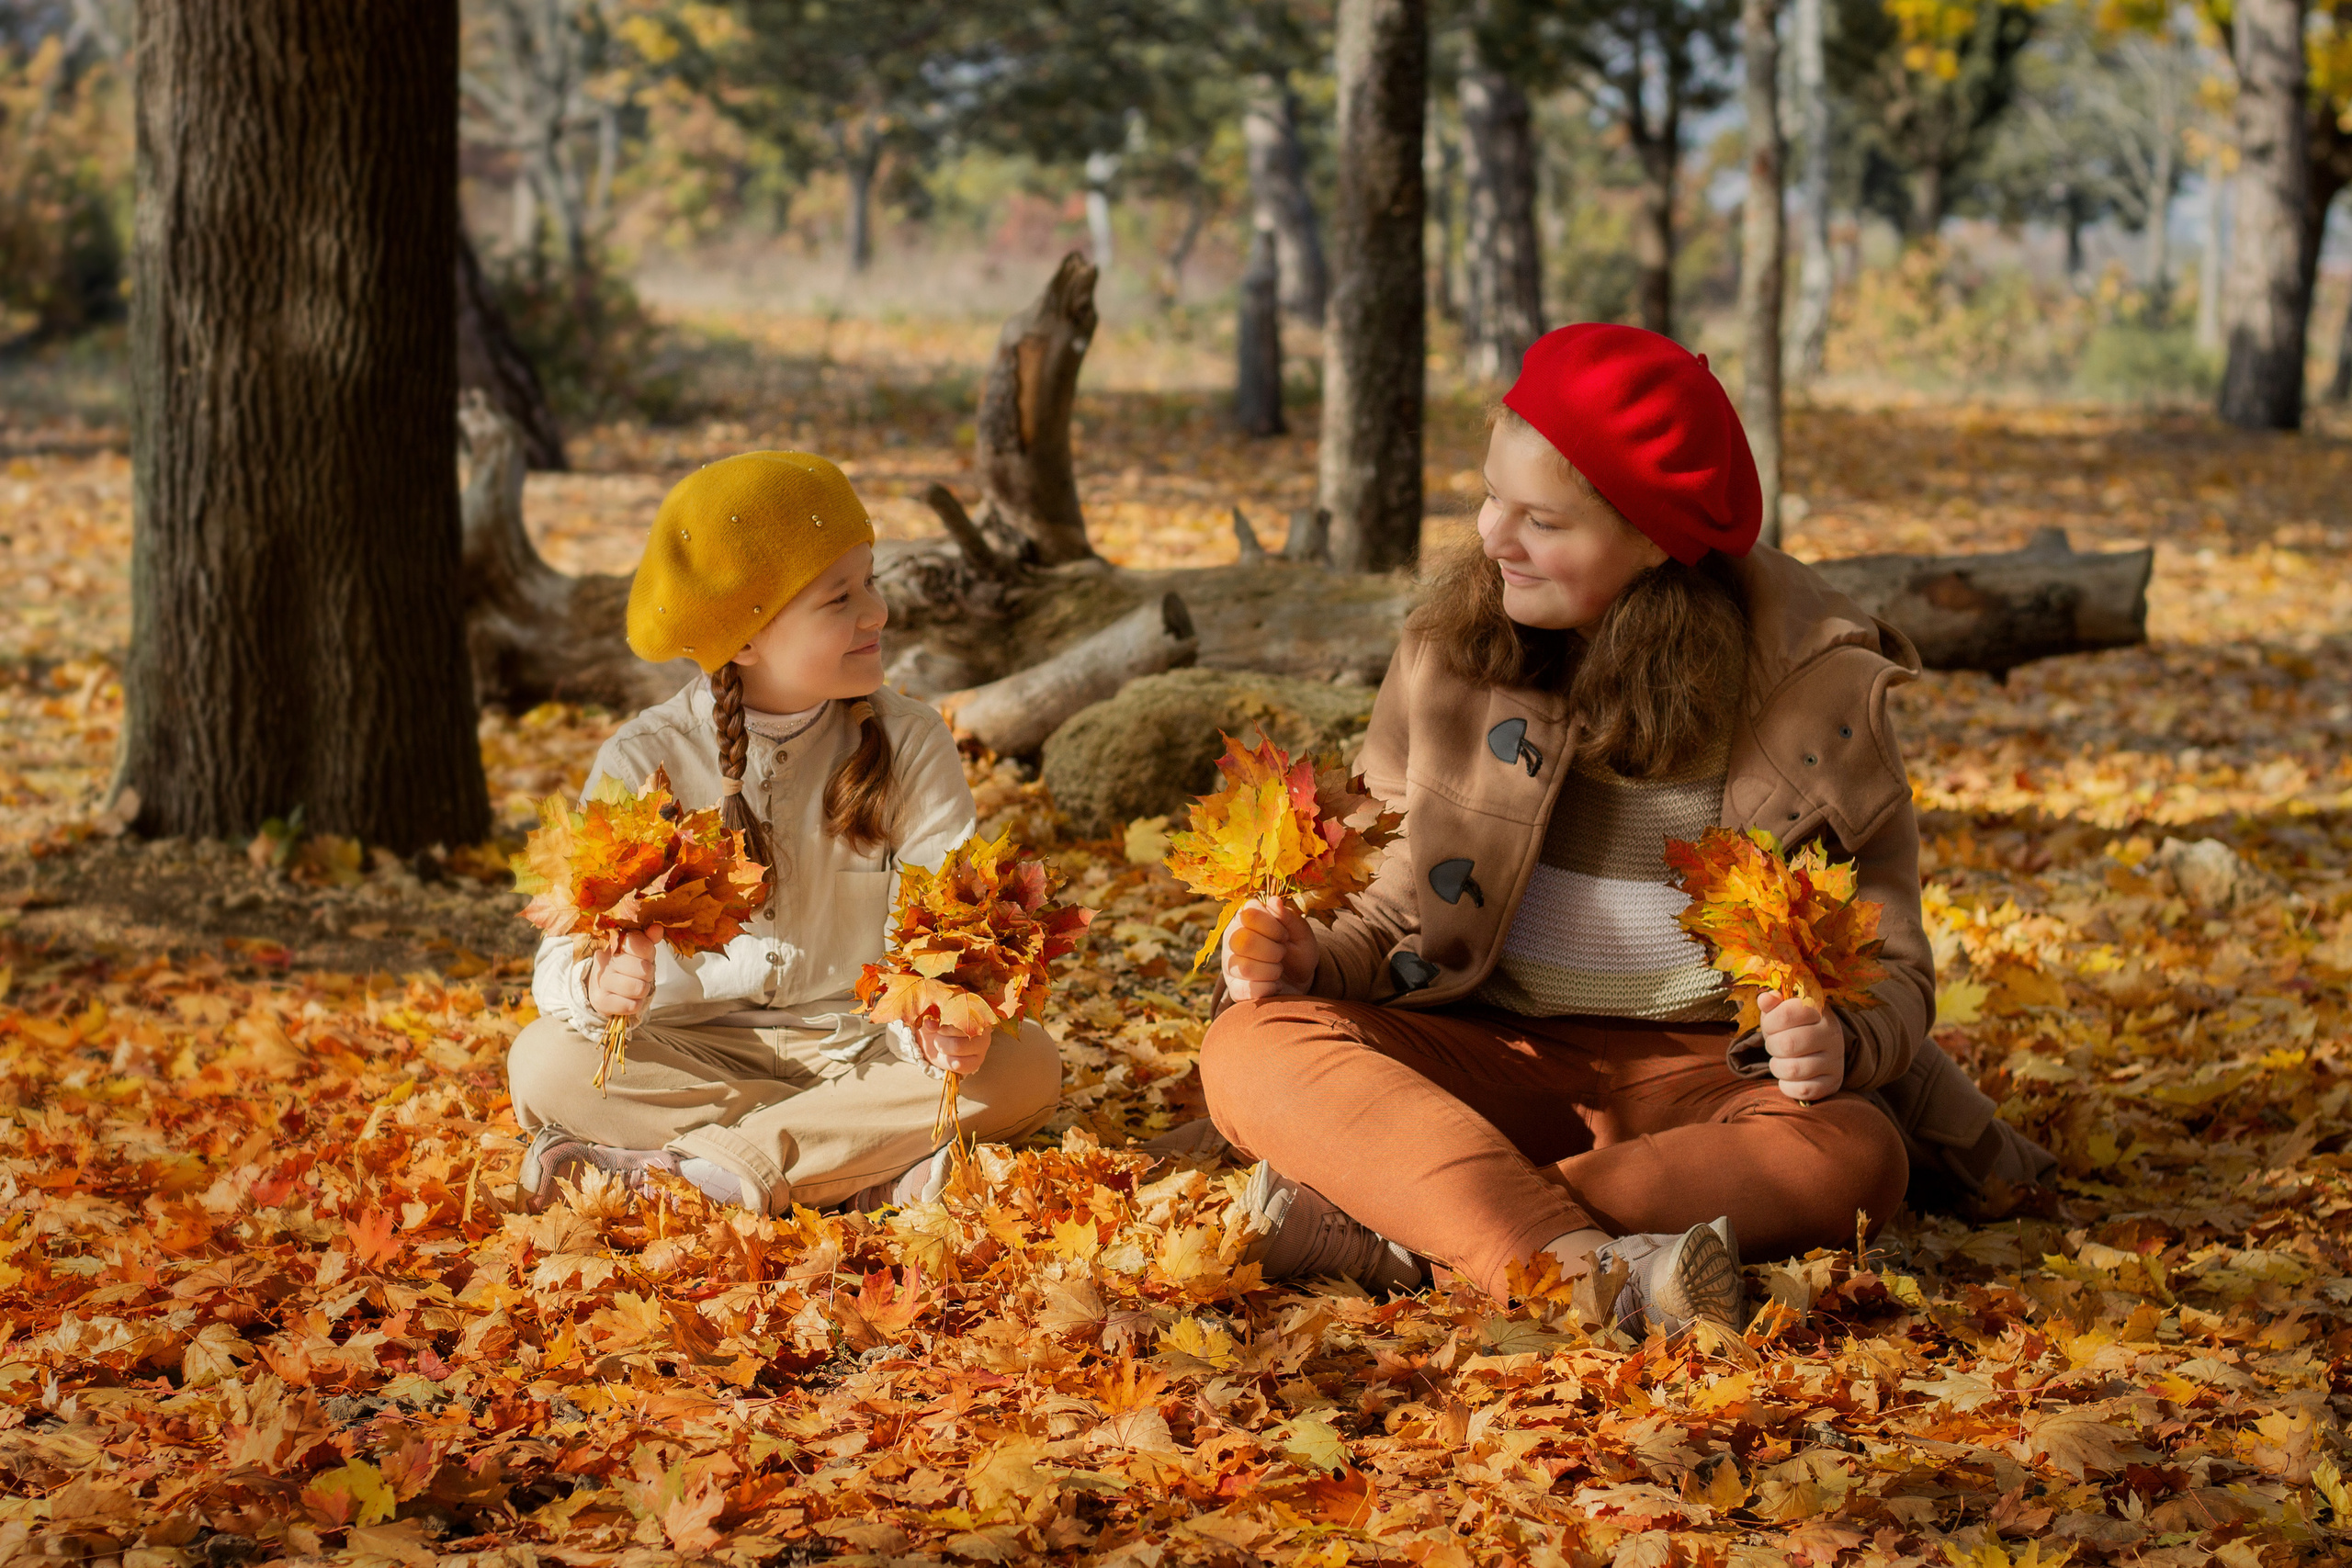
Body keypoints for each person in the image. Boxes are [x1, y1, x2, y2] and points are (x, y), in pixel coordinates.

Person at [1203, 323, 2007, 1333]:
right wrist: (1309, 959)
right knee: (1249, 1047)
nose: (1494, 536)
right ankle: (1592, 1270)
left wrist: (1837, 1040)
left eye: (1540, 518)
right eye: (1491, 495)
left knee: (1855, 1155)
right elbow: (1402, 902)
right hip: (1481, 1046)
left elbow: (1890, 962)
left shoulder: (1817, 693)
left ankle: (1409, 1231)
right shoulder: (1449, 651)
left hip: (1706, 1076)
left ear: (1656, 537)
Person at [506, 451, 1061, 1214]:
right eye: (840, 598)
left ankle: (694, 1174)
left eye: (872, 582)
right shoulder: (644, 759)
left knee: (1025, 1064)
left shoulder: (912, 742)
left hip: (866, 1050)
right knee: (543, 1063)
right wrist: (597, 987)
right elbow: (559, 961)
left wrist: (935, 1026)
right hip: (688, 1054)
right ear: (745, 636)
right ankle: (856, 1168)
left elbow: (943, 936)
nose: (878, 612)